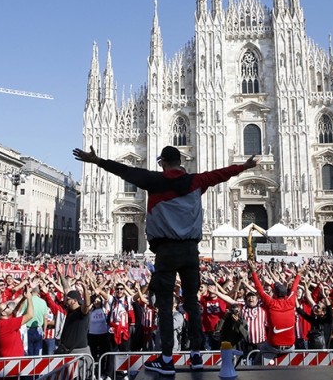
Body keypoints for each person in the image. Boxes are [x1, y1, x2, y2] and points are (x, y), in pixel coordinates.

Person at [74, 144, 258, 375]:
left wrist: (97, 160)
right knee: (192, 303)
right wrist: (245, 166)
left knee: (165, 306)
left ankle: (167, 359)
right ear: (181, 161)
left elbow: (125, 171)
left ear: (162, 162)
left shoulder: (154, 180)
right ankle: (196, 355)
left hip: (166, 251)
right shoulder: (196, 181)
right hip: (190, 251)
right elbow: (222, 173)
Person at [249, 259, 301, 364]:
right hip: (290, 346)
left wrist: (253, 272)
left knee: (257, 360)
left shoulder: (271, 303)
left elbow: (260, 289)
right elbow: (294, 288)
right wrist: (299, 274)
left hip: (273, 346)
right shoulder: (291, 302)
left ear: (274, 294)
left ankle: (255, 368)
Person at [0, 287, 34, 358]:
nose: (9, 306)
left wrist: (24, 298)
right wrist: (29, 298)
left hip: (8, 359)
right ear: (3, 313)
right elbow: (30, 315)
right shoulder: (7, 324)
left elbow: (16, 311)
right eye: (7, 307)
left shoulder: (0, 322)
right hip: (12, 360)